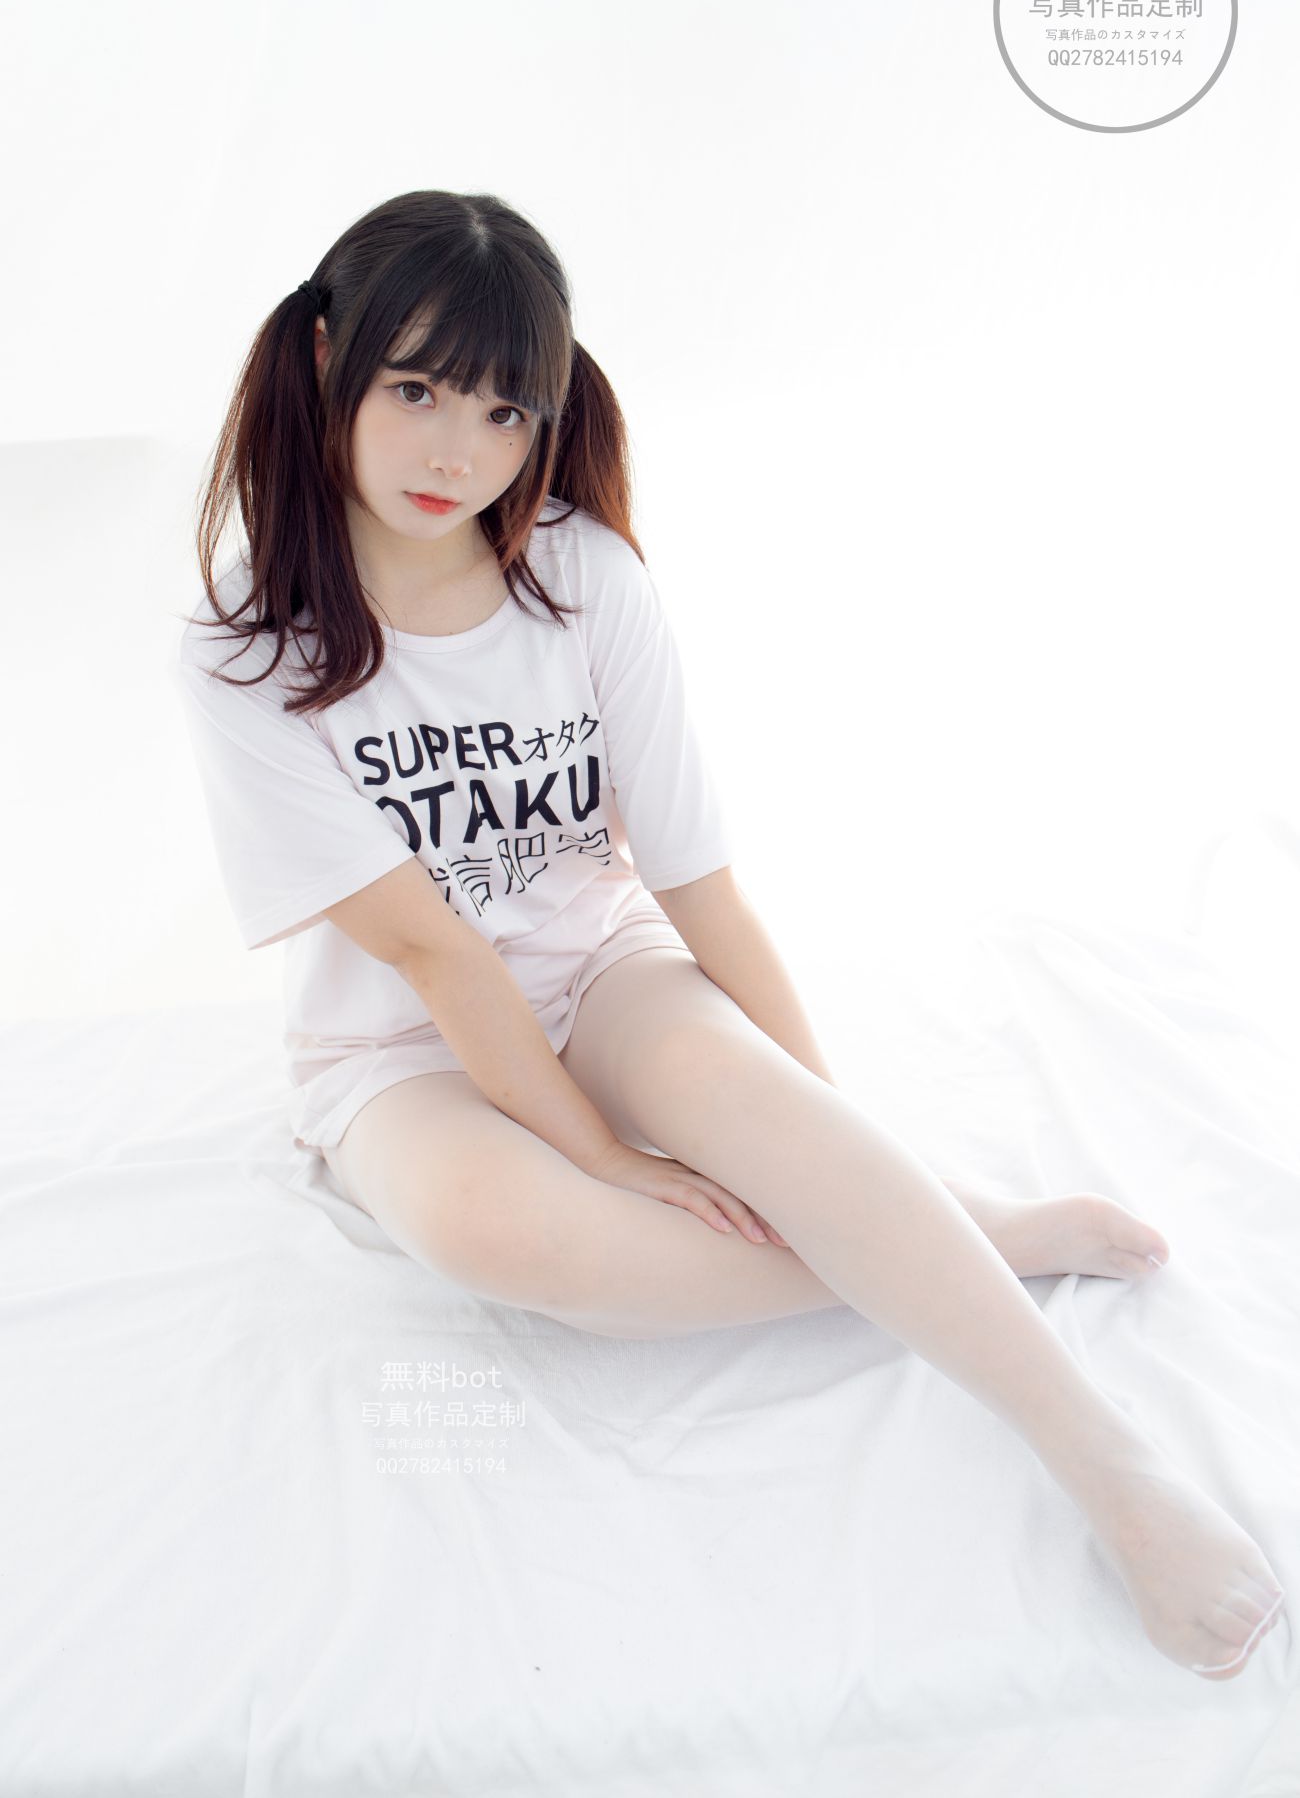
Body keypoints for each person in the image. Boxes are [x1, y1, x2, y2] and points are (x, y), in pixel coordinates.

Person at [169, 188, 1285, 1682]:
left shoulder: (583, 578)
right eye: (416, 389)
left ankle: (1112, 1465)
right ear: (326, 359)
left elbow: (697, 886)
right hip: (398, 1048)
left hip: (604, 968)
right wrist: (603, 1155)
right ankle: (974, 1243)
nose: (456, 453)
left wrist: (821, 1132)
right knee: (509, 1232)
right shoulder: (248, 642)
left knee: (773, 1113)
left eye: (503, 412)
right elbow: (435, 955)